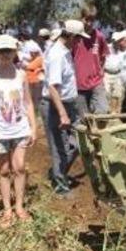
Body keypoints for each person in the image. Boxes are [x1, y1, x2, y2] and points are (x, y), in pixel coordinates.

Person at [0, 34, 37, 226]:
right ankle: (7, 209)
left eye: (9, 51)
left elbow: (28, 102)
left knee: (19, 167)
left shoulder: (22, 75)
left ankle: (19, 206)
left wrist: (33, 127)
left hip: (19, 128)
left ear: (15, 52)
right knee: (4, 169)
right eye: (2, 51)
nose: (6, 55)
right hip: (0, 130)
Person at [42, 20, 86, 196]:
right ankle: (60, 185)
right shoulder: (57, 55)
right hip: (55, 105)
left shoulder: (66, 52)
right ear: (72, 36)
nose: (80, 42)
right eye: (79, 38)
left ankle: (58, 173)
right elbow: (53, 88)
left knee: (78, 140)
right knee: (59, 145)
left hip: (68, 103)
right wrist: (62, 114)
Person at [72, 4, 110, 116]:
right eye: (86, 19)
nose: (89, 23)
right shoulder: (75, 37)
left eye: (92, 20)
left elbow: (103, 55)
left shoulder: (99, 36)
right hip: (78, 84)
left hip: (96, 82)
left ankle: (100, 132)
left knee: (102, 112)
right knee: (83, 119)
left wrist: (101, 70)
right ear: (81, 19)